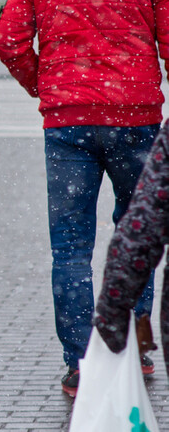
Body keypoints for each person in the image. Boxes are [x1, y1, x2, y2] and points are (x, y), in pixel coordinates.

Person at [0, 0, 169, 397]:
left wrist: (44, 85)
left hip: (67, 125)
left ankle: (79, 364)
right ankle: (134, 347)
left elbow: (9, 41)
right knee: (137, 236)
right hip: (137, 121)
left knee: (70, 249)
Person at [94, 122, 169, 376]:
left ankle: (77, 362)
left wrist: (112, 313)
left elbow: (143, 228)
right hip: (129, 114)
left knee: (70, 248)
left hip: (72, 114)